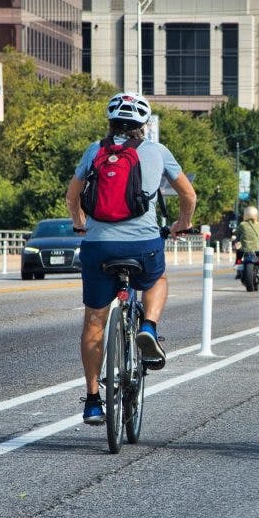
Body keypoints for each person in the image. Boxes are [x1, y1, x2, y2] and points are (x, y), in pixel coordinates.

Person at [65, 92, 197, 425]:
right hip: (143, 244)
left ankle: (94, 400)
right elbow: (188, 195)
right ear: (144, 125)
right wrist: (184, 222)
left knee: (94, 320)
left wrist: (81, 224)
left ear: (110, 123)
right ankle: (149, 328)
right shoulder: (158, 151)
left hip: (98, 246)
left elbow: (72, 195)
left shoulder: (95, 150)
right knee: (157, 279)